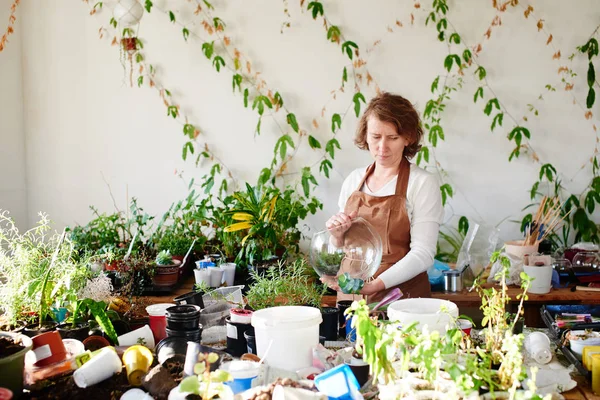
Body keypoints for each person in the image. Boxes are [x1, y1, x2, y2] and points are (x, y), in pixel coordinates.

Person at [324, 92, 443, 303]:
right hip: (351, 296)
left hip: (401, 299)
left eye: (392, 138)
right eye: (375, 137)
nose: (382, 147)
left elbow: (423, 253)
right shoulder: (354, 180)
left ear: (408, 138)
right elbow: (341, 247)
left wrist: (377, 285)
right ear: (365, 136)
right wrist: (336, 235)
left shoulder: (422, 183)